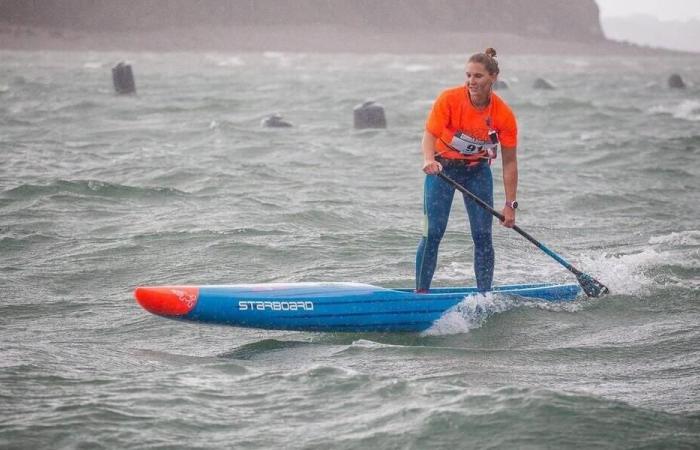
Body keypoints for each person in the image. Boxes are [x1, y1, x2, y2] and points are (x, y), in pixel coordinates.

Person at [416, 47, 518, 293]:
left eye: (478, 76)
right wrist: (429, 160)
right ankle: (420, 295)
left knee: (483, 236)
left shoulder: (503, 115)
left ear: (493, 77)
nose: (471, 81)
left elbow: (510, 163)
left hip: (477, 172)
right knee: (433, 233)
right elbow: (429, 134)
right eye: (468, 75)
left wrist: (510, 205)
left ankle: (484, 296)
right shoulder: (449, 99)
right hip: (442, 170)